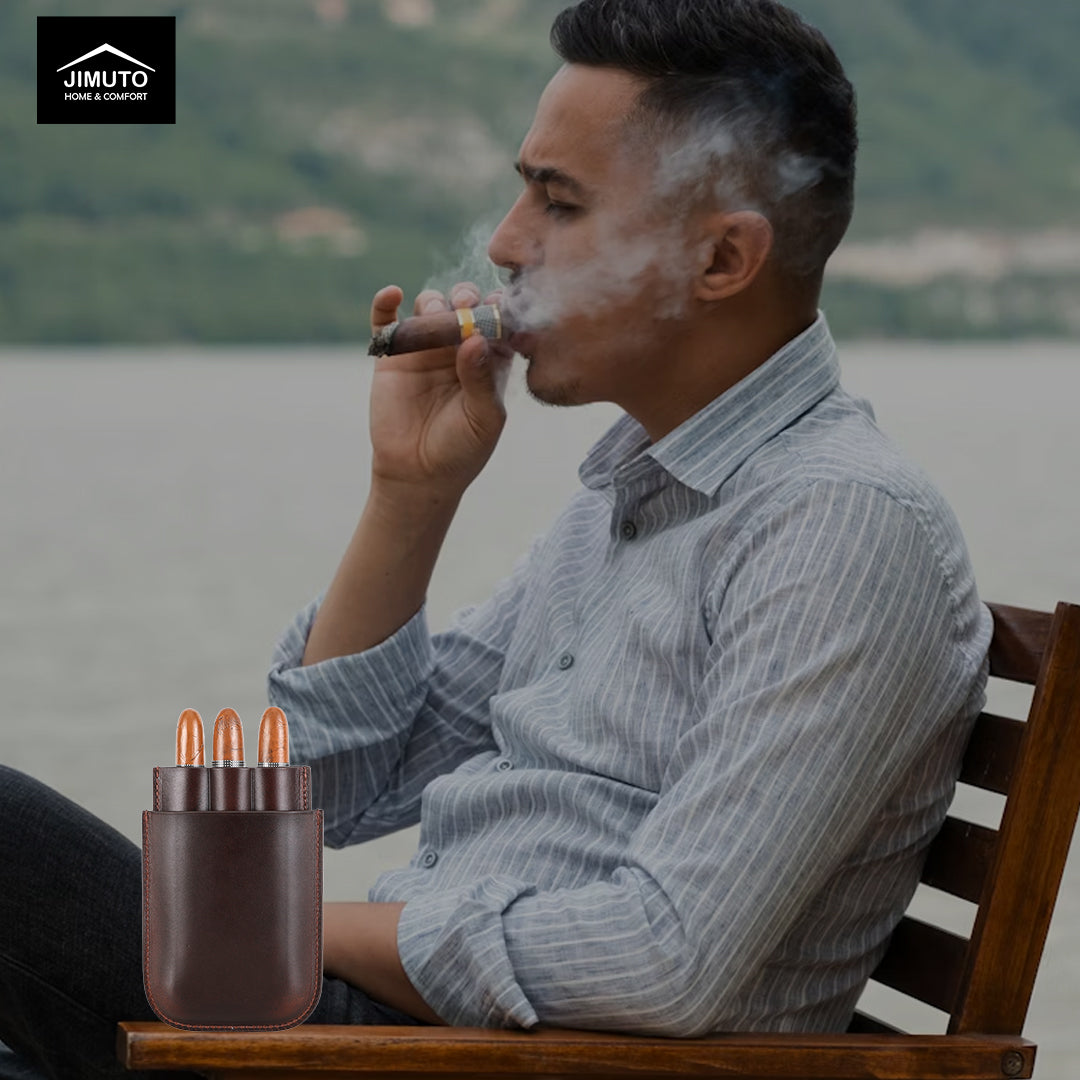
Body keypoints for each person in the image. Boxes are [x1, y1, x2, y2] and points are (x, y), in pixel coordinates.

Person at [0, 1, 992, 1076]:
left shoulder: (838, 525)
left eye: (558, 203)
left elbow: (664, 957)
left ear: (721, 260)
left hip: (478, 1060)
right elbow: (329, 792)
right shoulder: (634, 490)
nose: (508, 243)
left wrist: (279, 922)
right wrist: (409, 495)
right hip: (399, 1033)